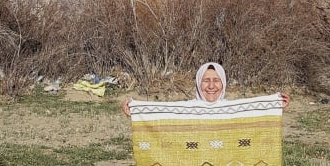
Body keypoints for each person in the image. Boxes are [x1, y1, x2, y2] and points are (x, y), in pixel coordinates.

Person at [122, 61, 290, 114]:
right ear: (198, 83)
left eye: (216, 81)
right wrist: (135, 109)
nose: (211, 86)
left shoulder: (235, 110)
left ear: (223, 83)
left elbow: (257, 117)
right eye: (205, 80)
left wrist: (275, 104)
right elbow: (159, 113)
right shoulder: (186, 109)